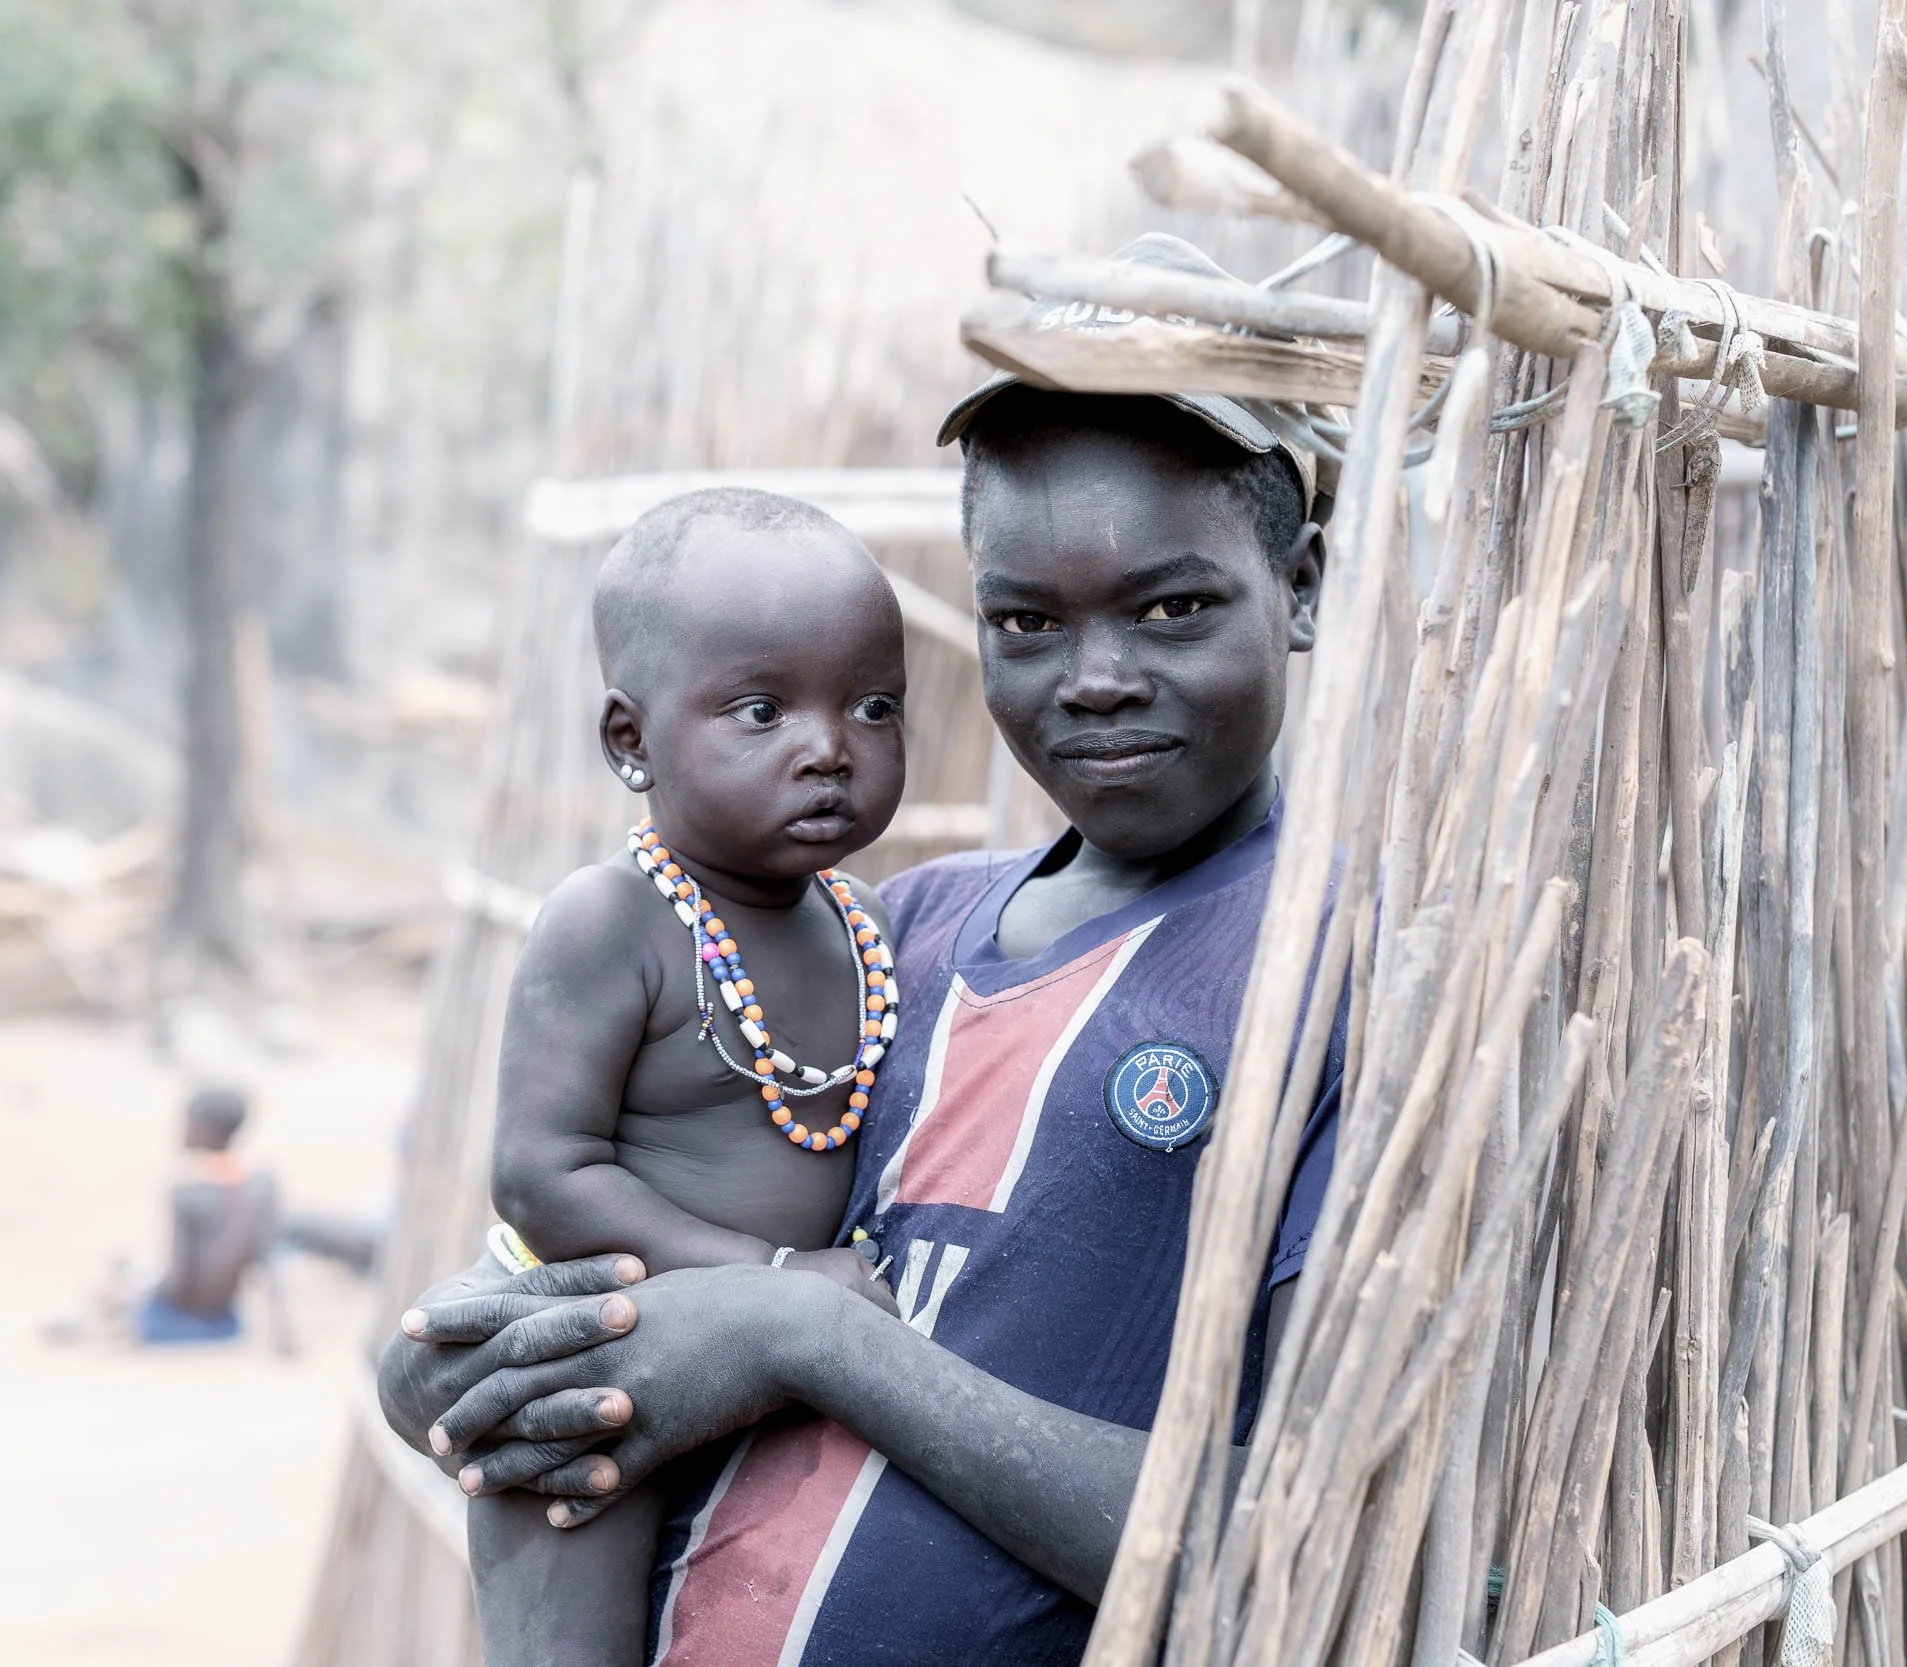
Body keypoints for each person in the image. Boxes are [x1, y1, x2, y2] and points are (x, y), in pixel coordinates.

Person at [382, 235, 1347, 1665]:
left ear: (1304, 587)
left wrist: (811, 1338)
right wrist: (458, 1358)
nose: (1093, 675)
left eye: (1174, 606)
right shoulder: (886, 937)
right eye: (1024, 619)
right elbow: (537, 1325)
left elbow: (1290, 1556)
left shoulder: (1336, 978)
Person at [471, 486, 912, 1666]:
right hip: (598, 1353)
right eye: (761, 710)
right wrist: (774, 1284)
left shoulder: (867, 923)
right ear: (632, 739)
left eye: (874, 706)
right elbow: (541, 1173)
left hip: (780, 1367)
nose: (830, 747)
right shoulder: (608, 920)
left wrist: (793, 1315)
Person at [135, 1085, 288, 1348]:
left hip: (179, 1320)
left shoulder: (187, 1192)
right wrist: (285, 1336)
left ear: (205, 1130)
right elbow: (271, 1263)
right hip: (228, 1322)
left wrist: (146, 1290)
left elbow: (178, 1278)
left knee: (129, 1294)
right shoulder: (262, 1185)